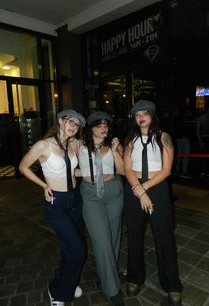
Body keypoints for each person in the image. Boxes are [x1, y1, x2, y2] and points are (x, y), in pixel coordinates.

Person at [19, 109, 87, 306]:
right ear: (60, 121)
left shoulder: (74, 144)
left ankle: (69, 283)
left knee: (69, 249)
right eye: (70, 122)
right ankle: (56, 292)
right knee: (78, 250)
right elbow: (23, 166)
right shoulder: (43, 145)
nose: (74, 126)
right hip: (56, 202)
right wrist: (44, 185)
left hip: (75, 199)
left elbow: (73, 171)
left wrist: (97, 174)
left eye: (77, 124)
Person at [123, 100, 183, 306]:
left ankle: (172, 285)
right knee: (134, 235)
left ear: (152, 115)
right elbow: (127, 168)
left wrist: (144, 189)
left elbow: (166, 170)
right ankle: (134, 278)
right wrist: (138, 190)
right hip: (134, 188)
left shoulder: (163, 137)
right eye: (136, 114)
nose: (140, 117)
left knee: (164, 236)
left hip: (156, 189)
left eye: (144, 113)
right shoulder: (130, 139)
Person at [77, 111, 125, 306]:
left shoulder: (113, 144)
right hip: (91, 194)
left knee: (114, 237)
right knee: (102, 239)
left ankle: (106, 274)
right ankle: (112, 289)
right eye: (99, 125)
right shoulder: (78, 145)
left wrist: (115, 150)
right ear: (90, 128)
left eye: (106, 125)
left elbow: (122, 170)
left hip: (114, 190)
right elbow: (64, 165)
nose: (103, 128)